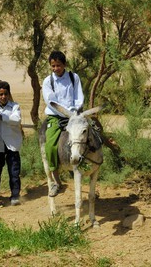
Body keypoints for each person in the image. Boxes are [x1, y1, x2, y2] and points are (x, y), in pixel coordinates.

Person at [42, 50, 84, 197]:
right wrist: (65, 114)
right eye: (52, 66)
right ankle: (56, 182)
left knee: (89, 136)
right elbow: (51, 102)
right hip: (56, 116)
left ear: (64, 64)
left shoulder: (74, 77)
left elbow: (79, 96)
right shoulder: (48, 81)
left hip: (74, 115)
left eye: (58, 65)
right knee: (50, 146)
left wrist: (75, 112)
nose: (55, 69)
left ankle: (88, 174)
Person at [0, 81, 23, 206]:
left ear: (9, 94)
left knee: (14, 170)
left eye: (5, 94)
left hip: (12, 143)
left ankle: (15, 195)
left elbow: (16, 119)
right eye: (1, 94)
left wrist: (1, 117)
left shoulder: (15, 106)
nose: (3, 97)